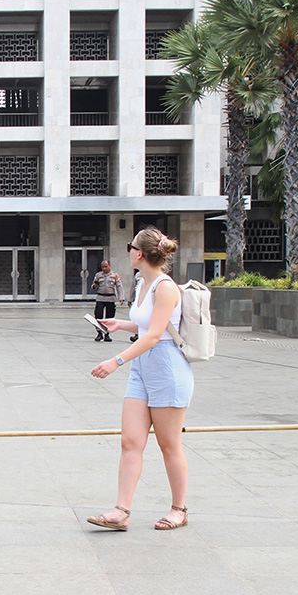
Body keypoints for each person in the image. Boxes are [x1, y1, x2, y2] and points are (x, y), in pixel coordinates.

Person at [88, 227, 192, 533]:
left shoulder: (165, 287)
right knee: (130, 442)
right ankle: (121, 510)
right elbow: (146, 324)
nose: (128, 251)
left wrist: (115, 360)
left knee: (169, 444)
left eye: (130, 246)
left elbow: (156, 334)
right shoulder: (141, 281)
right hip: (143, 369)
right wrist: (122, 323)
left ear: (140, 253)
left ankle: (179, 508)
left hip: (166, 369)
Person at [91, 260, 125, 343]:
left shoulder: (115, 275)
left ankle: (107, 334)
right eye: (103, 267)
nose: (104, 268)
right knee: (98, 316)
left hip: (110, 298)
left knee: (109, 317)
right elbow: (93, 286)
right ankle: (99, 333)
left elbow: (119, 286)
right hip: (100, 297)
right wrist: (95, 285)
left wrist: (121, 297)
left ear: (109, 266)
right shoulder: (98, 275)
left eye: (106, 266)